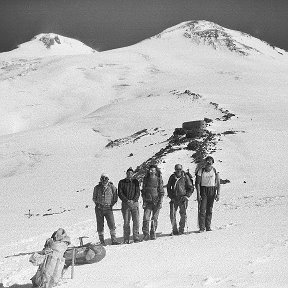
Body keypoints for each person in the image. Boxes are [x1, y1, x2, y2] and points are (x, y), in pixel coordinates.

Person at [93, 173, 120, 245]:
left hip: (108, 208)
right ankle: (102, 241)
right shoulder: (97, 188)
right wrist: (98, 204)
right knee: (100, 224)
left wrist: (111, 204)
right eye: (102, 178)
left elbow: (115, 197)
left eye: (106, 178)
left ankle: (114, 240)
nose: (104, 180)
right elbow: (94, 197)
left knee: (111, 224)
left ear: (108, 179)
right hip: (99, 208)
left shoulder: (112, 187)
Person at [167, 164, 194, 235]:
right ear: (175, 170)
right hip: (174, 198)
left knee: (183, 214)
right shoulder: (172, 177)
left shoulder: (185, 177)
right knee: (172, 214)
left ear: (181, 169)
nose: (178, 170)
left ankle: (181, 229)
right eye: (177, 169)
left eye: (179, 169)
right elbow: (168, 187)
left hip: (183, 198)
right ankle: (174, 229)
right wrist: (171, 196)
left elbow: (190, 187)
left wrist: (187, 196)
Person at [196, 156, 220, 232]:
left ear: (212, 163)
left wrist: (218, 193)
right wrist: (198, 194)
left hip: (212, 190)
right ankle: (202, 227)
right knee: (202, 209)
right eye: (207, 161)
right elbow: (197, 183)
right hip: (204, 190)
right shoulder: (201, 171)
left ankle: (208, 226)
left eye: (210, 162)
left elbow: (218, 183)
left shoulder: (214, 170)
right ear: (205, 162)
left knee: (209, 209)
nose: (209, 163)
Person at [141, 164, 164, 240]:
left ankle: (153, 232)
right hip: (148, 202)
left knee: (154, 218)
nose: (151, 171)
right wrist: (144, 201)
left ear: (155, 171)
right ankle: (146, 234)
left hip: (156, 202)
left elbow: (161, 191)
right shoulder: (146, 179)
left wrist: (160, 202)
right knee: (146, 218)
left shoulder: (158, 179)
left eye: (153, 170)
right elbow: (143, 191)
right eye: (150, 170)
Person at [118, 167, 140, 244]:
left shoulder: (135, 182)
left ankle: (136, 237)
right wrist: (127, 200)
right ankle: (126, 238)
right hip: (125, 204)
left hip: (134, 203)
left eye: (131, 173)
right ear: (126, 174)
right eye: (128, 173)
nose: (129, 174)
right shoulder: (122, 182)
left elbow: (138, 192)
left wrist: (133, 200)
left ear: (133, 174)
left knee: (136, 221)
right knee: (126, 222)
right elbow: (120, 193)